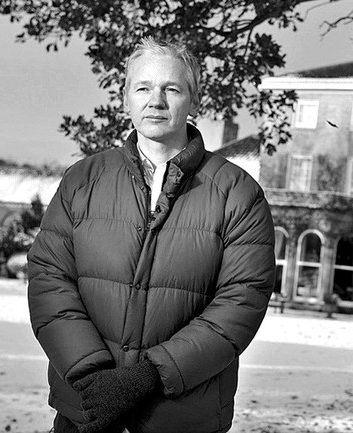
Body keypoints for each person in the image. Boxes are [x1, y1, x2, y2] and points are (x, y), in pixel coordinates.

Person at [27, 37, 276, 433]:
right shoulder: (81, 181)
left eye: (171, 89)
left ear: (193, 99)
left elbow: (241, 301)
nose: (155, 101)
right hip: (86, 410)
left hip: (181, 417)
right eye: (142, 88)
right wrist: (91, 375)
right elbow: (48, 280)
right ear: (126, 98)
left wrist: (148, 376)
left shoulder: (238, 193)